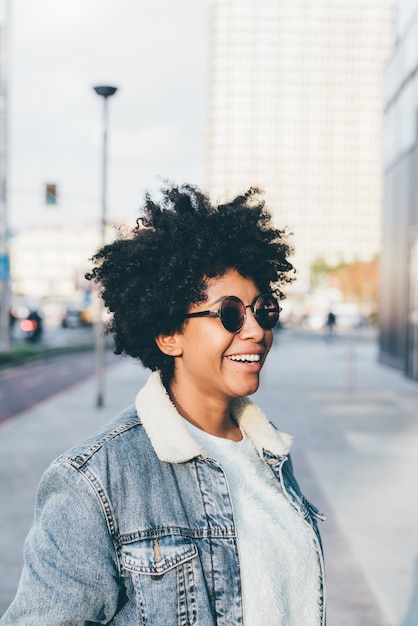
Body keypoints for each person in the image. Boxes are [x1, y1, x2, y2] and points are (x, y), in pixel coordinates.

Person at [1, 184, 326, 625]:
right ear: (168, 335)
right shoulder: (96, 482)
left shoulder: (270, 455)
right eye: (230, 313)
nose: (255, 330)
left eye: (262, 309)